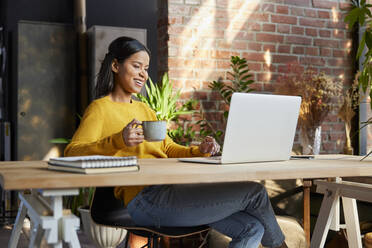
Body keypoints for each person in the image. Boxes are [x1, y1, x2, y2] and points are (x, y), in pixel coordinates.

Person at [65, 36, 288, 248]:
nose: (143, 74)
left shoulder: (144, 109)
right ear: (115, 66)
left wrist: (199, 150)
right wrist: (117, 140)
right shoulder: (101, 109)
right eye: (136, 66)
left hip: (173, 190)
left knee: (251, 227)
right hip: (146, 200)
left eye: (145, 68)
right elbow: (72, 153)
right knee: (255, 192)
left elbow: (168, 148)